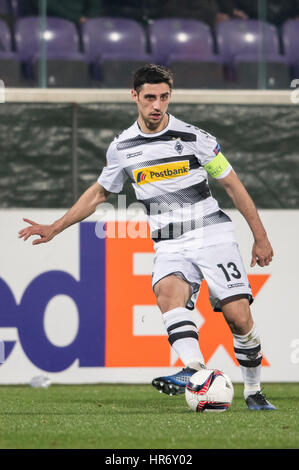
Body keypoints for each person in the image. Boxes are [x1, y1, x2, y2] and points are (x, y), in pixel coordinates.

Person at [18, 64, 275, 411]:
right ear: (134, 96)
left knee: (239, 319)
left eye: (164, 97)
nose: (157, 105)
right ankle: (194, 369)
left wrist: (260, 237)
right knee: (166, 293)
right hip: (169, 242)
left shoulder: (194, 138)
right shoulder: (122, 147)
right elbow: (98, 194)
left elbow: (233, 185)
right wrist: (55, 227)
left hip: (211, 234)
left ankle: (254, 390)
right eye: (150, 97)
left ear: (170, 96)